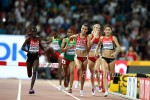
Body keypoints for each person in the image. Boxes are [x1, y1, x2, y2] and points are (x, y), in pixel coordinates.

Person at [96, 24, 121, 97]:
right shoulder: (101, 38)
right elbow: (98, 46)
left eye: (109, 30)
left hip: (112, 59)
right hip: (104, 58)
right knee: (104, 73)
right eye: (106, 30)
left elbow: (119, 48)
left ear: (111, 31)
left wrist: (115, 53)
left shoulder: (113, 38)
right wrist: (96, 51)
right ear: (104, 31)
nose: (107, 31)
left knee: (112, 76)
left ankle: (116, 78)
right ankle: (106, 91)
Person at [21, 26, 45, 94]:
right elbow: (22, 47)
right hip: (29, 57)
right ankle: (29, 74)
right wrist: (29, 51)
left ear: (36, 32)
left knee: (34, 72)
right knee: (29, 74)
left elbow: (40, 45)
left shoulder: (38, 38)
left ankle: (31, 88)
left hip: (36, 57)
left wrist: (44, 50)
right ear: (31, 32)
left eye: (35, 31)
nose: (34, 32)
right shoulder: (28, 39)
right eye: (32, 31)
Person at [68, 24, 90, 96]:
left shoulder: (88, 38)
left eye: (85, 29)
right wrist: (70, 45)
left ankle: (81, 89)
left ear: (87, 30)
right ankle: (77, 80)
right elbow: (69, 38)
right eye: (83, 28)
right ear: (81, 28)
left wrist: (85, 44)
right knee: (79, 68)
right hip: (77, 56)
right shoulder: (76, 36)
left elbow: (88, 49)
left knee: (83, 74)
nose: (83, 30)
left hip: (85, 57)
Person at [88, 24, 102, 96]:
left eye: (99, 28)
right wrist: (94, 36)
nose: (97, 29)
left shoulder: (100, 37)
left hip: (97, 56)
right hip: (90, 57)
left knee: (96, 70)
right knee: (92, 73)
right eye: (96, 27)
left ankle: (99, 84)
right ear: (93, 28)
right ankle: (93, 87)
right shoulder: (90, 36)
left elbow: (100, 45)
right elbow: (89, 44)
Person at [60, 28, 76, 93]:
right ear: (67, 33)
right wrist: (68, 47)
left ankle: (70, 87)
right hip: (65, 58)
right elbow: (61, 50)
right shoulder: (65, 40)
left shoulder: (76, 40)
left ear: (73, 33)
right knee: (66, 73)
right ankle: (65, 80)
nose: (70, 34)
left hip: (72, 59)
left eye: (71, 32)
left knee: (71, 72)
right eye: (68, 32)